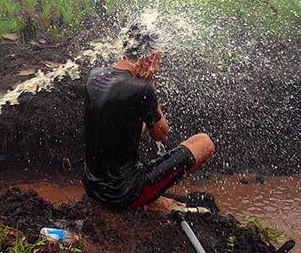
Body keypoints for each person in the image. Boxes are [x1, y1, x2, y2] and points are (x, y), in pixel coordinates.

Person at [83, 27, 215, 212]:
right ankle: (151, 197)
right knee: (204, 143)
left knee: (123, 134)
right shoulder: (141, 89)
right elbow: (161, 134)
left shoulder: (95, 75)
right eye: (159, 60)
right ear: (151, 56)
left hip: (93, 186)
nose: (159, 66)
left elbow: (118, 125)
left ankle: (148, 194)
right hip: (121, 194)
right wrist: (149, 83)